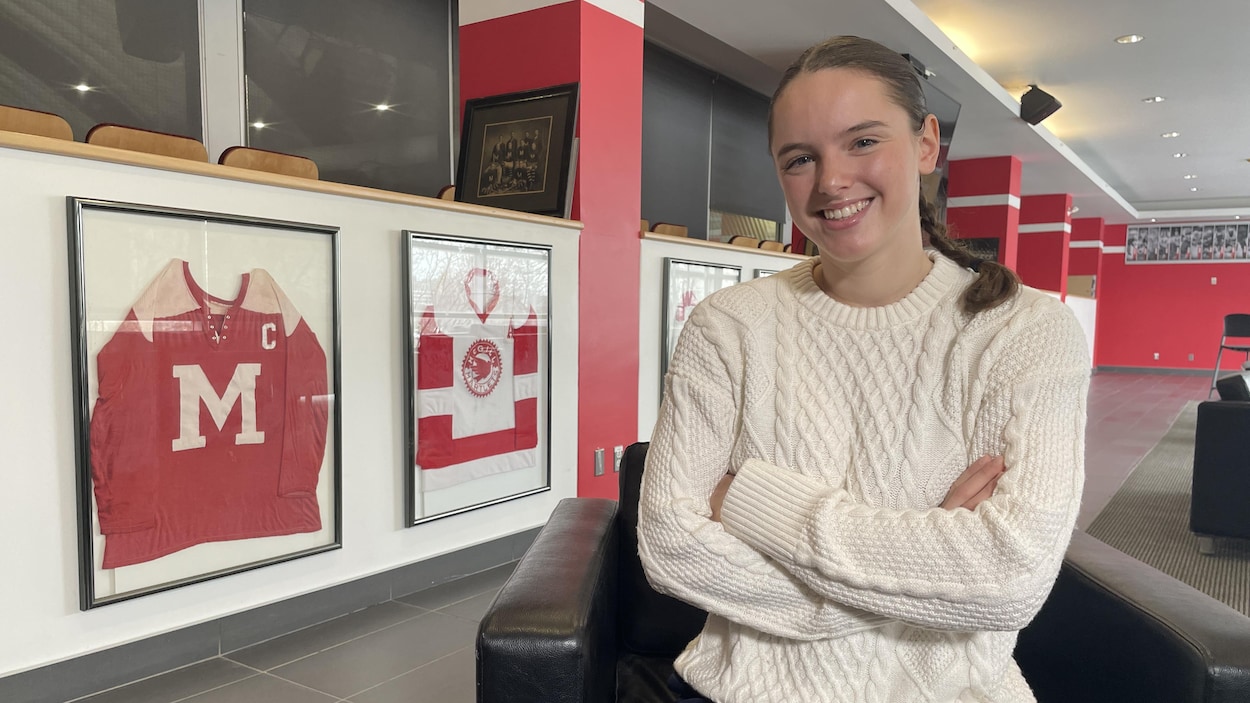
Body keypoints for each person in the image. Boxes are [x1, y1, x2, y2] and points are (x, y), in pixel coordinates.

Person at [637, 35, 1090, 703]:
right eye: (800, 159)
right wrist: (926, 564)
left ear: (928, 143)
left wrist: (752, 501)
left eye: (863, 141)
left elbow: (1009, 578)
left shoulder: (1024, 331)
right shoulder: (727, 325)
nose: (830, 182)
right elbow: (669, 542)